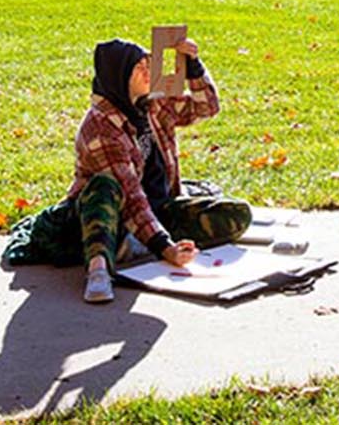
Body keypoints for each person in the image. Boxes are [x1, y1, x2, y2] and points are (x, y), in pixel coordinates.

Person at [68, 36, 250, 303]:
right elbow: (130, 197)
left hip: (159, 210)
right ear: (119, 75)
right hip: (106, 217)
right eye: (137, 67)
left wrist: (194, 67)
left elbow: (207, 107)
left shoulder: (153, 103)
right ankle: (100, 268)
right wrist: (167, 249)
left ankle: (141, 243)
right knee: (105, 186)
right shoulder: (100, 127)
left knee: (235, 214)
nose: (147, 71)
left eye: (148, 64)